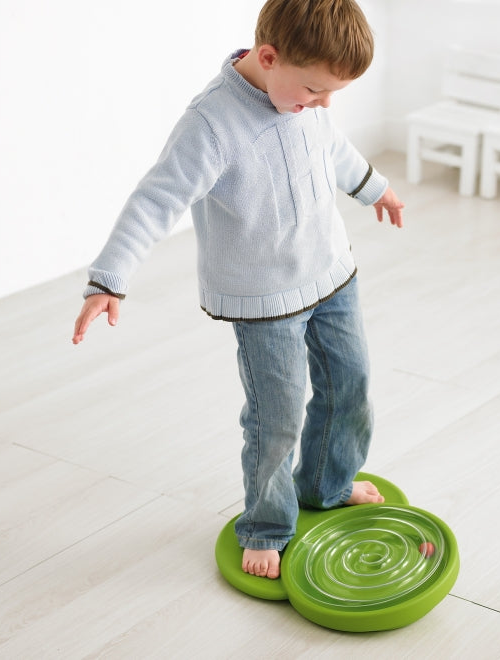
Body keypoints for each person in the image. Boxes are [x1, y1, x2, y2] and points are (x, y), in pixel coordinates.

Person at [72, 0, 404, 580]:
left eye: (334, 93)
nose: (324, 104)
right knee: (277, 417)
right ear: (268, 58)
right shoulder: (211, 125)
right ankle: (267, 525)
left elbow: (331, 146)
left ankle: (327, 485)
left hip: (332, 275)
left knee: (350, 386)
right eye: (315, 90)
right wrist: (109, 279)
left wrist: (374, 188)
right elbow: (156, 200)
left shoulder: (304, 100)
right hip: (265, 302)